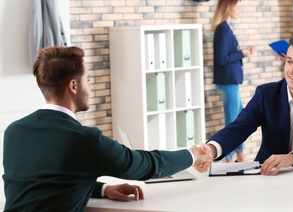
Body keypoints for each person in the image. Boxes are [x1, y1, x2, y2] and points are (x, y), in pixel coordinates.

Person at [2, 46, 213, 211]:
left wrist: (103, 189)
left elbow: (43, 184)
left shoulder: (14, 132)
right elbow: (144, 165)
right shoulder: (85, 140)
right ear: (74, 86)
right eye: (89, 80)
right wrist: (193, 155)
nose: (91, 87)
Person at [207, 35, 293, 175]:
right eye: (289, 61)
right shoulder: (266, 94)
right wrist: (210, 150)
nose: (292, 70)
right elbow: (238, 128)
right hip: (268, 176)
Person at [211, 0, 254, 163]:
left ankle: (240, 155)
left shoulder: (226, 28)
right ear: (228, 7)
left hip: (231, 81)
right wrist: (241, 53)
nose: (239, 11)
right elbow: (222, 59)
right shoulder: (223, 29)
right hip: (228, 82)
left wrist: (241, 53)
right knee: (233, 123)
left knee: (240, 120)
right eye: (237, 7)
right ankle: (229, 159)